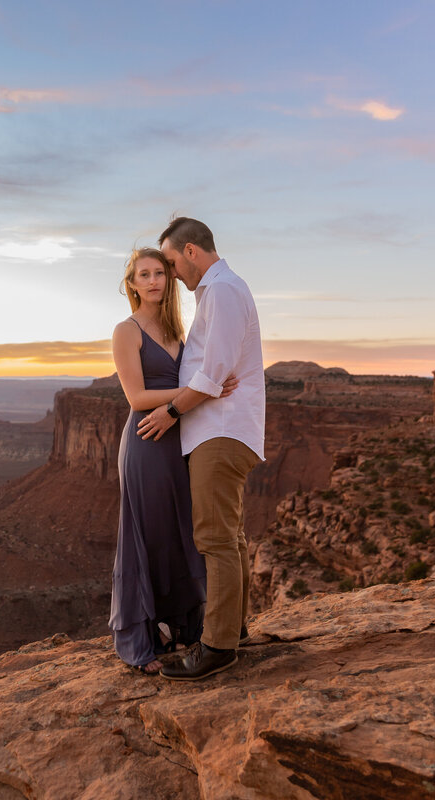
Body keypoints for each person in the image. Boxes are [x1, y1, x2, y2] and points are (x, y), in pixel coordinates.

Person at [138, 217, 265, 681]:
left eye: (170, 263)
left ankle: (217, 647)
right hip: (218, 429)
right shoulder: (215, 293)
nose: (170, 274)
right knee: (229, 536)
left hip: (221, 431)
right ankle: (234, 629)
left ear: (191, 251)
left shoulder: (224, 291)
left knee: (214, 537)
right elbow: (211, 374)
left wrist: (171, 412)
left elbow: (213, 376)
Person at [108, 247, 236, 674]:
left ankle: (182, 630)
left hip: (177, 438)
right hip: (147, 441)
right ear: (132, 284)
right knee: (146, 535)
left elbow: (196, 381)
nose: (153, 281)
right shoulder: (126, 331)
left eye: (159, 273)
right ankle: (140, 644)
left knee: (177, 534)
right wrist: (204, 387)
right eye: (143, 275)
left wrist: (203, 387)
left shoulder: (177, 329)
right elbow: (137, 398)